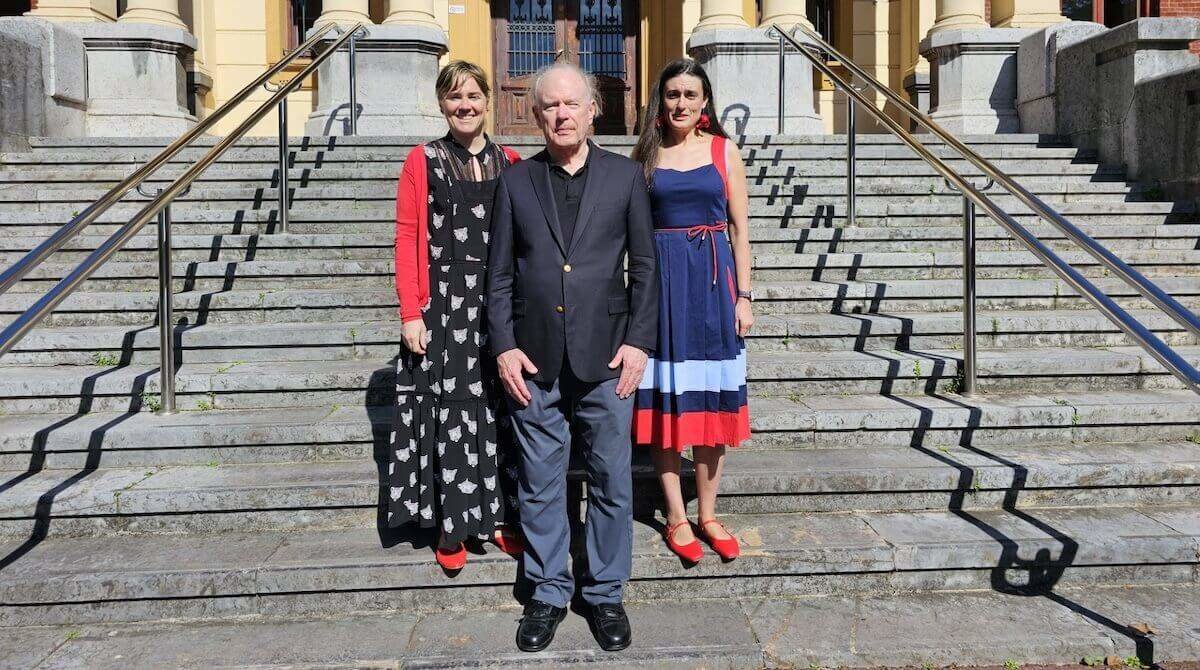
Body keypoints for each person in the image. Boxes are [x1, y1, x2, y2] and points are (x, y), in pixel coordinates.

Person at [487, 62, 658, 653]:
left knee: (611, 479)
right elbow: (500, 274)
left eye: (571, 105)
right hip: (533, 360)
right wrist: (504, 346)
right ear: (537, 116)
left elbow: (646, 267)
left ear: (592, 111)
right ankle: (547, 590)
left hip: (609, 358)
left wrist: (639, 342)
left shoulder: (626, 177)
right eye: (549, 106)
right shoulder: (515, 181)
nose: (560, 115)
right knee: (539, 483)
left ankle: (605, 594)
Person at [389, 60, 525, 572]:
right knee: (449, 411)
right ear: (441, 104)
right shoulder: (422, 161)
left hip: (496, 308)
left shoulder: (511, 162)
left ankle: (496, 516)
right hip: (441, 308)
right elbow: (406, 239)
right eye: (453, 97)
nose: (464, 105)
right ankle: (453, 522)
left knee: (498, 409)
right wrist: (410, 312)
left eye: (472, 95)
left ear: (487, 101)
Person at [631, 59, 754, 564]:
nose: (680, 103)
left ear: (705, 101)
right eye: (672, 94)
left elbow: (741, 231)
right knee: (667, 407)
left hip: (711, 285)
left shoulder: (725, 151)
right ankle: (676, 517)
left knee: (710, 405)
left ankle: (708, 513)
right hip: (661, 285)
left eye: (690, 94)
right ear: (661, 100)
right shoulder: (645, 154)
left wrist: (744, 297)